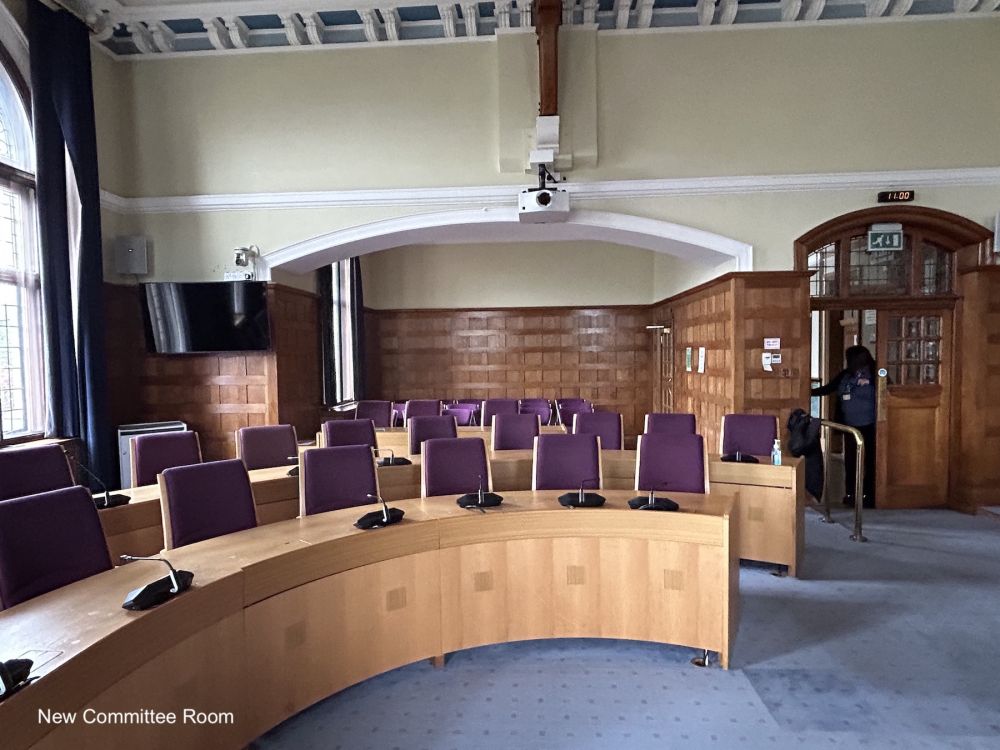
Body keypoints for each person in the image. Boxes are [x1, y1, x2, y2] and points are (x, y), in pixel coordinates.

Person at [811, 345, 878, 508]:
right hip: (850, 426)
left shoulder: (876, 374)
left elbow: (887, 390)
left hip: (870, 425)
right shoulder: (846, 375)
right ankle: (850, 493)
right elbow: (828, 388)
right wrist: (807, 392)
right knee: (850, 461)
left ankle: (870, 494)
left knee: (871, 462)